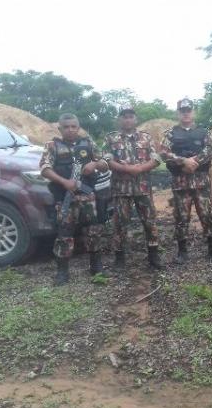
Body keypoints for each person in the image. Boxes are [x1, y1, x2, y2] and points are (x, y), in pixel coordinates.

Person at [40, 113, 109, 285]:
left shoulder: (88, 143)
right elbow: (44, 168)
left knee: (94, 232)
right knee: (64, 235)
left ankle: (96, 267)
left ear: (78, 127)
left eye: (74, 126)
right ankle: (62, 271)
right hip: (65, 198)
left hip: (87, 197)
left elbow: (105, 162)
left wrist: (94, 164)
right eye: (66, 127)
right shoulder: (52, 146)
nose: (70, 130)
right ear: (60, 128)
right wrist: (65, 182)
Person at [160, 98, 212, 264]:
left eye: (188, 110)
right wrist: (183, 161)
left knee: (207, 215)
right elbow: (164, 153)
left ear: (193, 112)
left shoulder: (204, 132)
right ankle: (182, 251)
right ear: (178, 113)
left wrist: (195, 161)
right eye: (183, 111)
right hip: (180, 182)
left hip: (201, 181)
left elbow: (211, 149)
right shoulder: (170, 134)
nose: (186, 113)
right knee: (181, 217)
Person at [103, 105, 164, 269]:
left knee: (149, 221)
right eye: (124, 116)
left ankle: (154, 256)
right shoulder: (111, 138)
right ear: (120, 119)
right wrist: (127, 169)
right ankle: (119, 259)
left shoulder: (146, 138)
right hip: (121, 189)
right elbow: (106, 160)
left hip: (142, 187)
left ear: (135, 119)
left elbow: (156, 158)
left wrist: (141, 168)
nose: (128, 119)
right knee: (120, 223)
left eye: (130, 116)